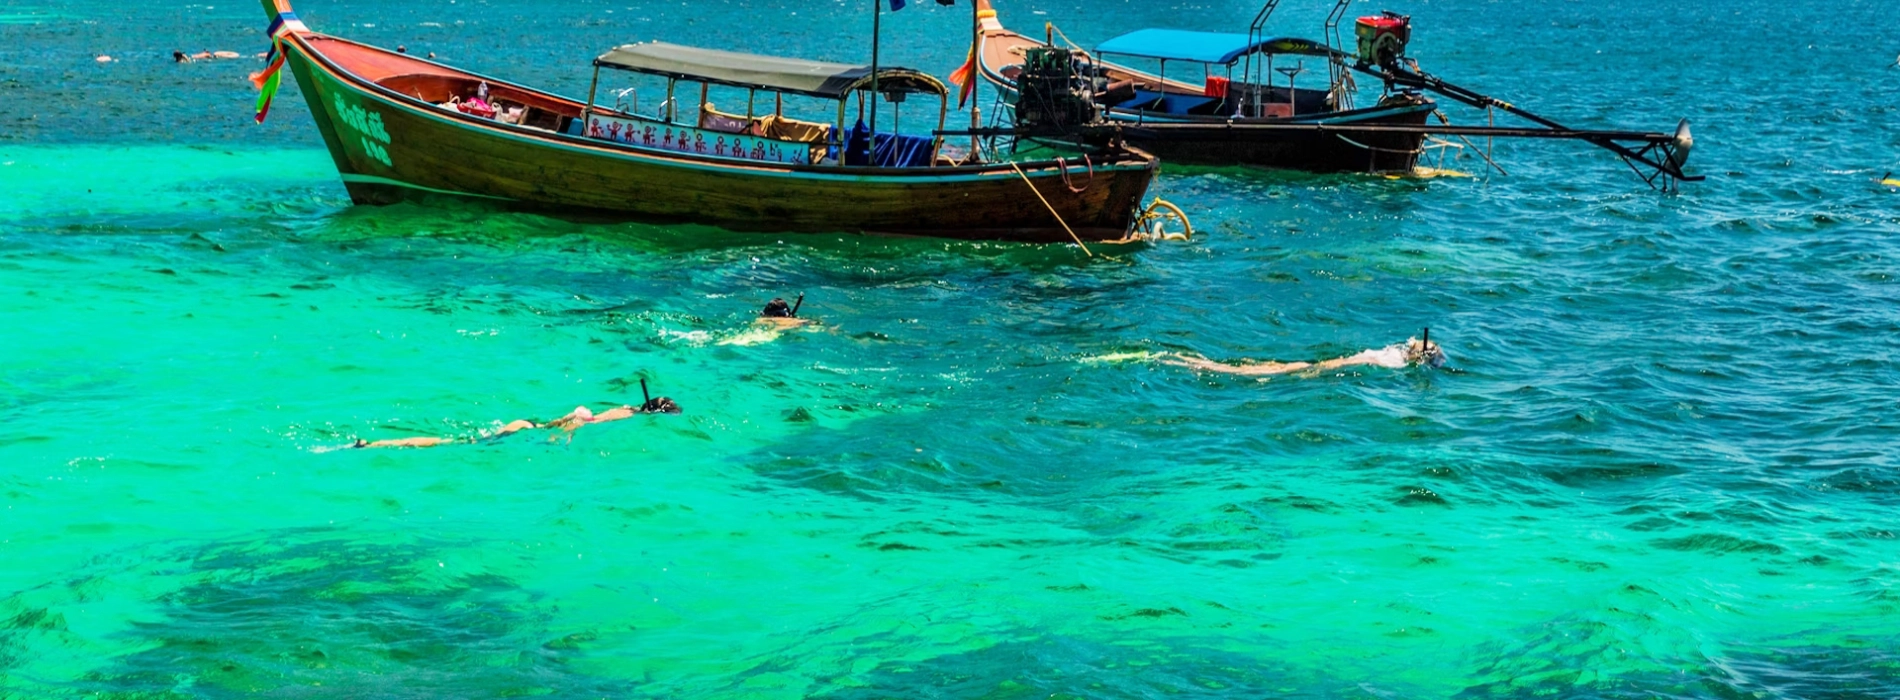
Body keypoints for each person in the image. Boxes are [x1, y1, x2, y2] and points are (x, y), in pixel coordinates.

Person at [329, 386, 680, 450]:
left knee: (459, 443)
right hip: (525, 432)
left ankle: (372, 444)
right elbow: (577, 424)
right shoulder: (624, 416)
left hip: (526, 425)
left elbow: (574, 418)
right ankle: (372, 445)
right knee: (451, 445)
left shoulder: (624, 409)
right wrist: (559, 442)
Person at [1162, 334, 1446, 377]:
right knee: (1267, 370)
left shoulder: (1393, 355)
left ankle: (1192, 361)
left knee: (1268, 368)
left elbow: (1410, 344)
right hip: (1327, 368)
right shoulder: (1396, 360)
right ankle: (1196, 363)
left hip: (1325, 366)